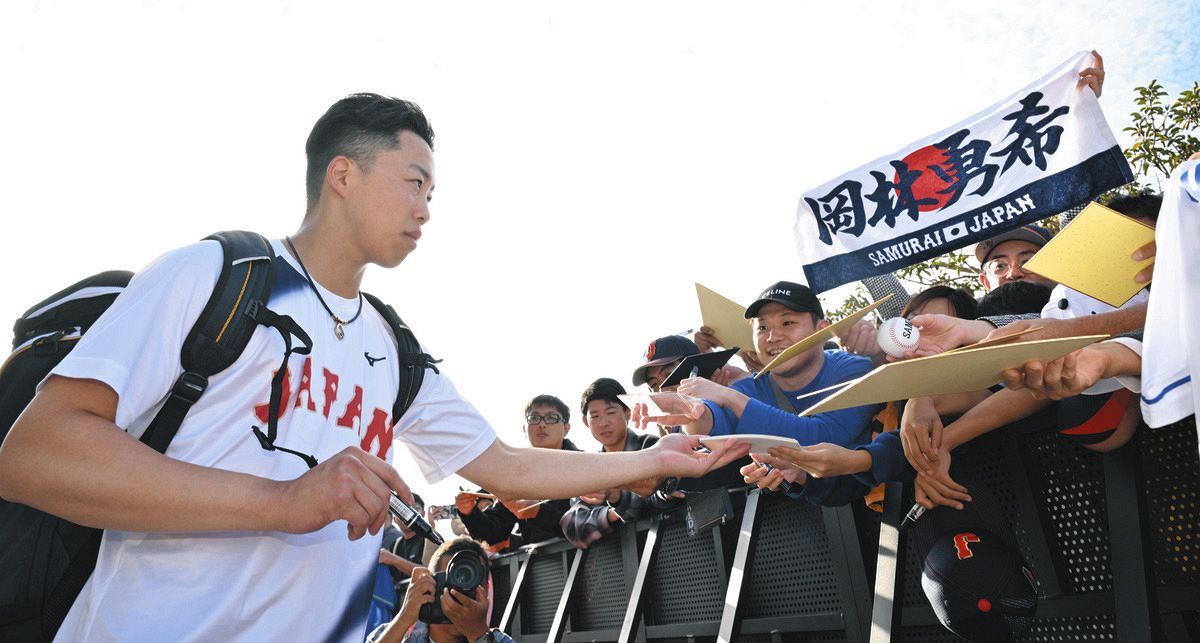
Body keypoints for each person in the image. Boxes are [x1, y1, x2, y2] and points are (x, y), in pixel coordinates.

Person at [0, 93, 746, 642]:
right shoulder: (218, 274)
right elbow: (35, 454)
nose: (426, 207)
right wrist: (283, 500)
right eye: (412, 181)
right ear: (342, 176)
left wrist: (654, 458)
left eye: (433, 191)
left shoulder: (391, 346)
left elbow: (504, 465)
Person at [561, 379, 682, 548]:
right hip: (618, 568)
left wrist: (617, 498)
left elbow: (658, 499)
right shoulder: (590, 466)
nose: (603, 423)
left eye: (610, 412)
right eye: (595, 416)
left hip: (672, 548)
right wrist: (611, 515)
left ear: (627, 412)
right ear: (586, 422)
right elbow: (572, 525)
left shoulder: (651, 448)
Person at [458, 395, 580, 548]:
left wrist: (539, 512)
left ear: (566, 428)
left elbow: (590, 522)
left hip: (595, 563)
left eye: (551, 418)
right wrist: (469, 512)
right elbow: (494, 533)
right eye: (534, 418)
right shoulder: (518, 475)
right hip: (539, 568)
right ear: (524, 428)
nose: (541, 424)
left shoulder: (584, 464)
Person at [367, 537, 514, 643]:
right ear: (432, 583)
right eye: (451, 579)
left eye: (471, 580)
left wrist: (479, 635)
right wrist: (405, 616)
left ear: (486, 590)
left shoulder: (498, 641)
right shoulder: (391, 635)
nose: (460, 592)